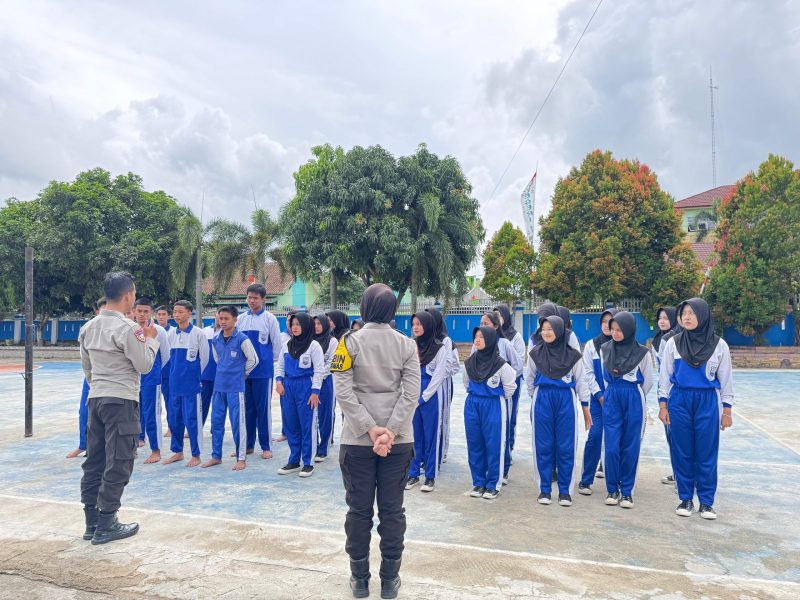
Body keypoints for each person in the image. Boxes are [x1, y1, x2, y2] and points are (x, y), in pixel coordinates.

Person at [333, 283, 420, 599]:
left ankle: (359, 580)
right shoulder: (407, 345)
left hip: (357, 440)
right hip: (397, 442)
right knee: (392, 510)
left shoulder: (347, 343)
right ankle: (389, 581)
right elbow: (411, 394)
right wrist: (390, 431)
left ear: (365, 307)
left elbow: (342, 390)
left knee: (358, 511)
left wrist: (370, 429)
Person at [79, 271, 159, 544]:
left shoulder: (88, 327)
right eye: (134, 294)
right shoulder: (128, 328)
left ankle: (91, 522)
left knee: (95, 460)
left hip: (96, 399)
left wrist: (100, 386)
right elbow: (144, 365)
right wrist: (151, 340)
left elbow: (87, 369)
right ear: (128, 296)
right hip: (121, 400)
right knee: (120, 460)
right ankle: (107, 522)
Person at [658, 298, 733, 520]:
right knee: (682, 451)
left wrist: (727, 411)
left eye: (692, 313)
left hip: (707, 401)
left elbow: (726, 379)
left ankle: (707, 502)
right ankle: (686, 499)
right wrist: (663, 405)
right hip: (680, 400)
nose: (687, 317)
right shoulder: (673, 343)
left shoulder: (719, 345)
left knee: (706, 452)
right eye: (684, 313)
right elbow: (665, 377)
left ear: (703, 315)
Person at [526, 316, 591, 507]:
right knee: (543, 445)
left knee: (566, 446)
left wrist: (585, 407)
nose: (546, 332)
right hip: (542, 397)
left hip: (565, 399)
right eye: (543, 329)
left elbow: (581, 381)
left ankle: (565, 491)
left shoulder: (573, 356)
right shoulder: (535, 353)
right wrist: (537, 399)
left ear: (560, 331)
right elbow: (529, 379)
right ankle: (544, 489)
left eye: (550, 329)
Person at [600, 311, 653, 508]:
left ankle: (627, 491)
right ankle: (612, 489)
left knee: (631, 446)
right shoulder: (605, 349)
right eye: (612, 329)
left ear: (629, 330)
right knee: (611, 445)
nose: (615, 333)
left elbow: (647, 382)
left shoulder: (642, 353)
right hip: (612, 397)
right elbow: (604, 378)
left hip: (633, 397)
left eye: (619, 330)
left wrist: (634, 395)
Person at [201, 306, 259, 471]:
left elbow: (254, 360)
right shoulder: (216, 339)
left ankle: (241, 458)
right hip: (219, 387)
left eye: (226, 318)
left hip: (236, 388)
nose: (223, 322)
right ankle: (216, 456)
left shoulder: (242, 339)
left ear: (235, 320)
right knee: (216, 422)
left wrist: (242, 374)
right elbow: (217, 359)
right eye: (220, 318)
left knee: (237, 424)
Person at [463, 326, 517, 500]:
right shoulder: (469, 363)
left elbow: (510, 388)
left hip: (493, 405)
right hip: (473, 405)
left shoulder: (501, 365)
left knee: (494, 445)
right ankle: (478, 482)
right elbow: (466, 383)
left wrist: (494, 397)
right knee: (474, 443)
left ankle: (493, 483)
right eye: (476, 337)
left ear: (491, 339)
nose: (477, 340)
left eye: (481, 337)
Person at [275, 312, 325, 477]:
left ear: (306, 326)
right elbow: (280, 366)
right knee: (291, 425)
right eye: (292, 324)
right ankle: (294, 460)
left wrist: (315, 392)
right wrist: (279, 381)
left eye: (298, 324)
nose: (294, 327)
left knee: (307, 425)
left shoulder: (313, 346)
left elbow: (319, 370)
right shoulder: (286, 345)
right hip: (288, 388)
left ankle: (308, 462)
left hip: (305, 387)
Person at [236, 284, 282, 459]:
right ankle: (248, 445)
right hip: (243, 372)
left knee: (263, 409)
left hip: (263, 372)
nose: (252, 301)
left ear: (263, 299)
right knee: (246, 409)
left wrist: (268, 363)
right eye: (249, 297)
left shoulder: (270, 319)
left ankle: (266, 446)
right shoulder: (240, 319)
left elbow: (277, 347)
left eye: (255, 298)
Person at [406, 311, 450, 493]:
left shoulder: (440, 348)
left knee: (431, 436)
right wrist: (409, 396)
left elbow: (438, 376)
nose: (415, 327)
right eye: (413, 324)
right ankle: (413, 473)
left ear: (428, 325)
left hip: (431, 397)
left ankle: (430, 476)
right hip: (412, 394)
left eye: (419, 324)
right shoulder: (411, 346)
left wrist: (423, 398)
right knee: (413, 436)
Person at [162, 300, 209, 467]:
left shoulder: (198, 334)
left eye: (180, 312)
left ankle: (196, 454)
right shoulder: (171, 335)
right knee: (174, 419)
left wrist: (197, 378)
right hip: (174, 385)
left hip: (191, 385)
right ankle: (177, 451)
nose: (176, 315)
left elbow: (205, 359)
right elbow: (167, 358)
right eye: (175, 312)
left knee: (192, 420)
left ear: (189, 313)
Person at [577, 308, 617, 494]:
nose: (607, 325)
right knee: (594, 436)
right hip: (597, 401)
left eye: (611, 321)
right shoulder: (592, 345)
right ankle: (586, 480)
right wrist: (599, 395)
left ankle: (616, 482)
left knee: (615, 440)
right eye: (604, 321)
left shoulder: (625, 346)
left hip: (618, 401)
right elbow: (588, 373)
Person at [67, 296, 106, 459]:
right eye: (103, 310)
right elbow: (85, 357)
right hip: (91, 378)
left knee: (110, 414)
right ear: (97, 311)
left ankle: (106, 448)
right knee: (84, 412)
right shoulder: (88, 329)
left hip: (112, 379)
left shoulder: (122, 329)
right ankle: (83, 445)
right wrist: (90, 378)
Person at [133, 297, 170, 464]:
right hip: (132, 378)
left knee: (151, 414)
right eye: (139, 311)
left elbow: (166, 356)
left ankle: (156, 450)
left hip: (151, 378)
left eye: (145, 311)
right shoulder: (129, 329)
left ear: (151, 313)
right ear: (134, 311)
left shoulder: (159, 331)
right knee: (131, 413)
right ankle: (132, 445)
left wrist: (154, 373)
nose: (142, 314)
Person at [493, 304, 526, 483]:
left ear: (506, 317)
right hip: (492, 385)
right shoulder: (489, 336)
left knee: (510, 417)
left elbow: (519, 361)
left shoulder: (515, 337)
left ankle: (508, 449)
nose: (497, 318)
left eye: (499, 315)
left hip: (510, 383)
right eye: (494, 315)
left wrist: (507, 377)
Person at [424, 307, 460, 465]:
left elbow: (454, 365)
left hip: (442, 385)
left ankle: (441, 450)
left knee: (441, 418)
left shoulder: (445, 341)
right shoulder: (423, 339)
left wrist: (437, 373)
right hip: (425, 384)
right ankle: (425, 454)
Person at [651, 306, 679, 484]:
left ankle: (683, 475)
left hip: (675, 392)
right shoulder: (658, 340)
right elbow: (659, 370)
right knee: (671, 435)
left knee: (678, 435)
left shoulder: (675, 340)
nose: (662, 321)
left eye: (666, 318)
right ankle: (678, 473)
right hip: (664, 390)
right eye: (660, 318)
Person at [314, 314, 339, 462]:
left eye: (319, 323)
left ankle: (323, 448)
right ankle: (313, 446)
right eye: (314, 323)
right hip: (310, 382)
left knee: (325, 416)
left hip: (326, 381)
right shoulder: (309, 340)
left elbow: (331, 363)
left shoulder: (332, 341)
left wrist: (318, 376)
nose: (316, 326)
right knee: (311, 416)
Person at [155, 305, 173, 437]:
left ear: (169, 316)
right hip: (153, 373)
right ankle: (151, 428)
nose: (161, 317)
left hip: (168, 373)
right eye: (159, 314)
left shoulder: (173, 332)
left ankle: (171, 428)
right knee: (153, 403)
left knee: (169, 402)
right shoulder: (151, 330)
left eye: (163, 314)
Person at [201, 314, 221, 426]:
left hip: (220, 375)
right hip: (205, 375)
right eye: (219, 315)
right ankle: (197, 428)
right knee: (201, 404)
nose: (221, 318)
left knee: (218, 406)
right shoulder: (205, 331)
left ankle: (216, 430)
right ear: (215, 315)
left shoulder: (228, 333)